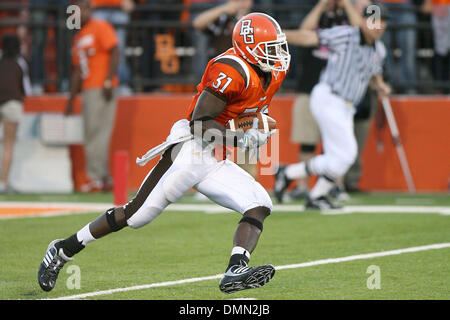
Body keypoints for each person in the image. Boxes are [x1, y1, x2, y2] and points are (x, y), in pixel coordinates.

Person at [37, 12, 290, 294]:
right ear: (247, 47)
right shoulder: (230, 70)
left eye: (279, 47)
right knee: (135, 215)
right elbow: (199, 123)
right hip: (191, 150)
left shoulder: (274, 71)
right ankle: (62, 249)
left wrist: (255, 126)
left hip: (215, 157)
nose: (278, 55)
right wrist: (239, 138)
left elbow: (253, 110)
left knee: (259, 203)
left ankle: (236, 269)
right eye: (270, 49)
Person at [274, 4, 391, 210]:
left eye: (382, 20)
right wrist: (277, 35)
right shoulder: (346, 35)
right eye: (373, 19)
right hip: (330, 96)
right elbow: (311, 38)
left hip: (346, 105)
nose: (378, 25)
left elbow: (373, 72)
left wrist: (380, 85)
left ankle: (289, 174)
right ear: (362, 20)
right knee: (346, 154)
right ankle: (315, 194)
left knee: (338, 156)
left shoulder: (378, 49)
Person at [288, 0, 364, 202]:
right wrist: (322, 5)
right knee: (307, 141)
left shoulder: (348, 17)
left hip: (338, 90)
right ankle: (302, 185)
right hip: (310, 85)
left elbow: (363, 34)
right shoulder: (316, 12)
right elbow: (304, 30)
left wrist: (346, 5)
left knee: (336, 147)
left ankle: (335, 185)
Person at [193, 0, 257, 182]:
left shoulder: (256, 23)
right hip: (221, 85)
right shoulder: (223, 19)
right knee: (212, 128)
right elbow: (198, 23)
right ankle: (208, 176)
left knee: (248, 131)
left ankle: (247, 178)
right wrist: (224, 9)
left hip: (246, 85)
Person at [65, 0, 120, 192]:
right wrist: (71, 99)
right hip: (88, 88)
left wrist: (108, 80)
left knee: (98, 133)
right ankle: (101, 177)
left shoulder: (100, 27)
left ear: (89, 9)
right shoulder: (79, 36)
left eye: (80, 10)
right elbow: (77, 71)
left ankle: (97, 177)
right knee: (91, 134)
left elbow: (114, 51)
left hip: (101, 86)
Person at [0, 34, 31, 193]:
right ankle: (3, 182)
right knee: (8, 144)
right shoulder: (20, 62)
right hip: (12, 102)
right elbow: (27, 89)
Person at [90, 0, 134, 94]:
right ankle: (95, 84)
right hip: (97, 7)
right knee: (96, 49)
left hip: (120, 7)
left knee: (119, 49)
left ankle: (122, 84)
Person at [378, 0, 417, 94]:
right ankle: (387, 86)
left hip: (405, 3)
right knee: (380, 49)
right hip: (380, 3)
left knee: (408, 51)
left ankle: (409, 88)